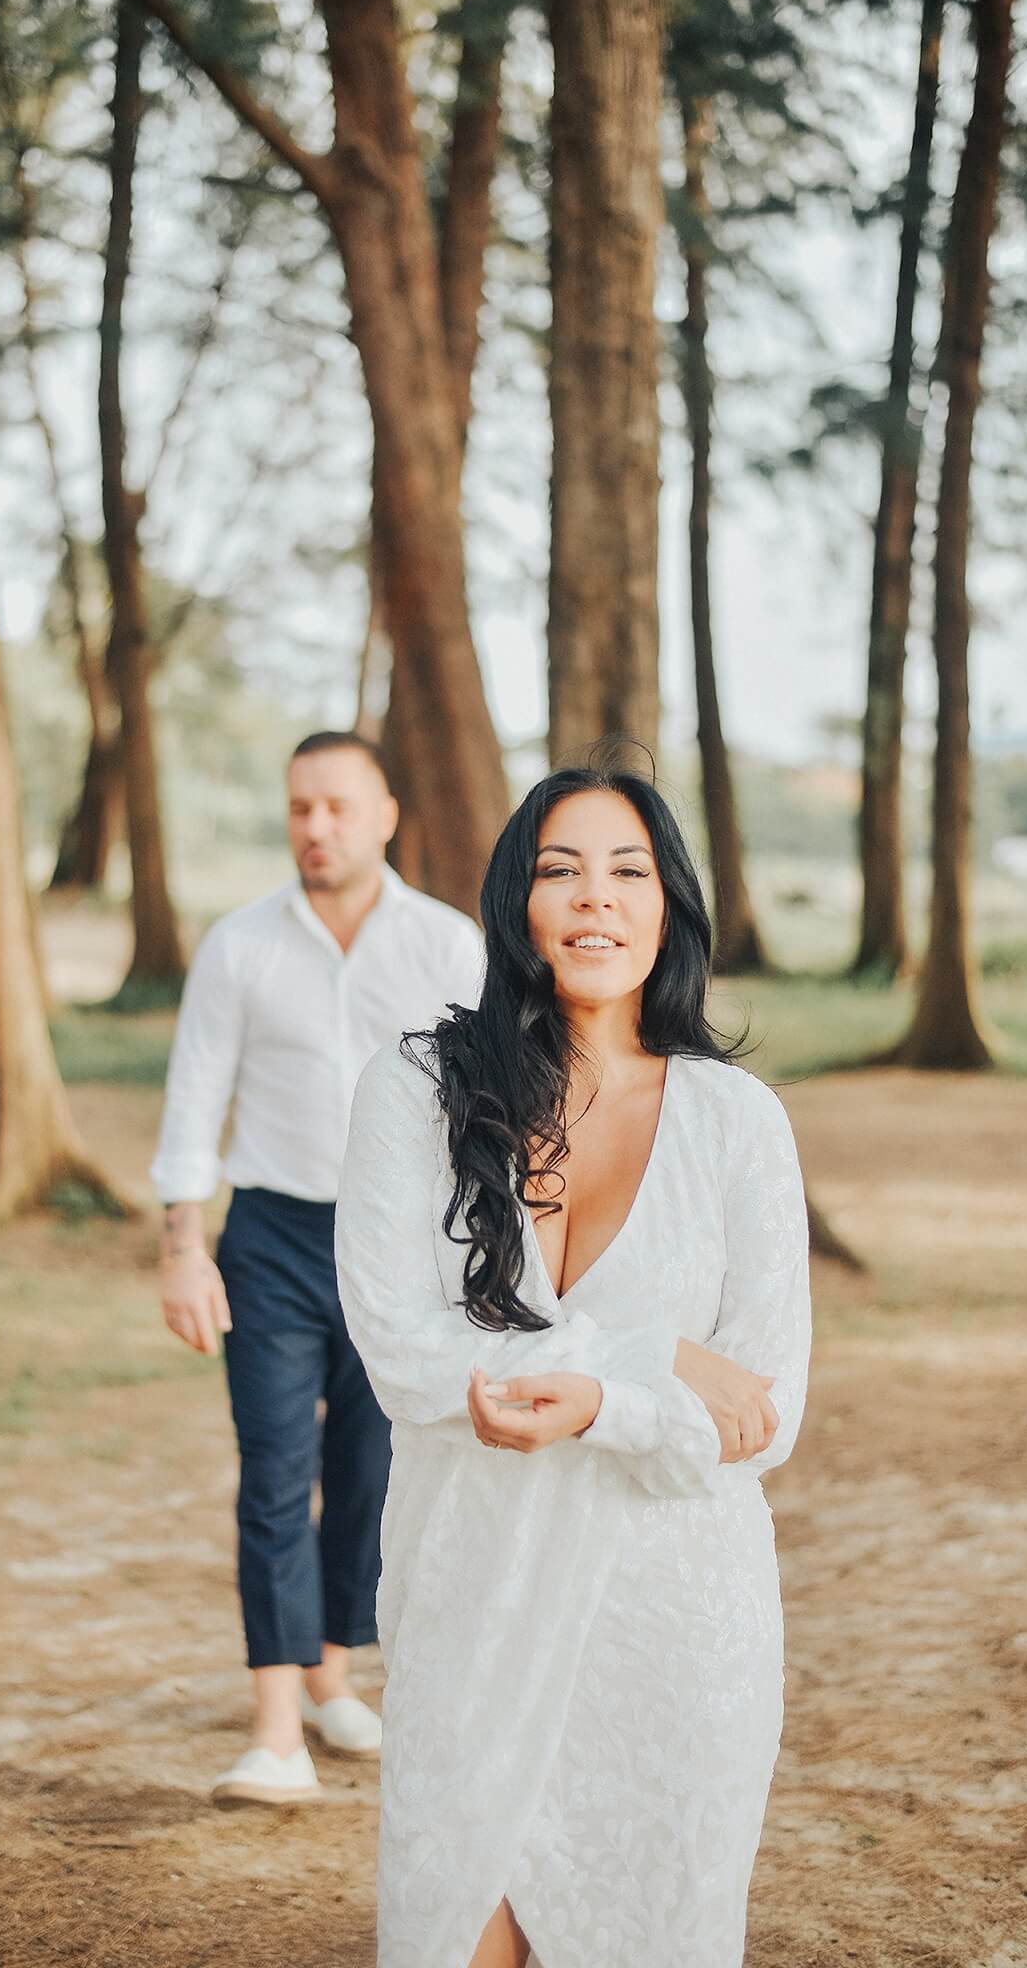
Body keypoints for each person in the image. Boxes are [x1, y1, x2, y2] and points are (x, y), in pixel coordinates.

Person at [334, 763, 813, 1968]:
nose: (592, 899)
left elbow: (766, 1409)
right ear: (514, 904)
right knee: (454, 1930)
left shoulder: (735, 1119)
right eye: (558, 870)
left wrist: (603, 1405)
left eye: (626, 871)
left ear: (669, 907)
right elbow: (400, 1349)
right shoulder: (415, 1092)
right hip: (473, 1594)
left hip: (674, 1617)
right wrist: (652, 1353)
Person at [152, 730, 485, 1808]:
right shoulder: (239, 944)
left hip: (398, 1245)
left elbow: (482, 1111)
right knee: (271, 1474)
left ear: (386, 814)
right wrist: (182, 1246)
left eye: (337, 806)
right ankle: (273, 1728)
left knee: (370, 1476)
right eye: (299, 806)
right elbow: (195, 1094)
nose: (314, 826)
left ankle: (333, 1670)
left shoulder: (445, 946)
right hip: (271, 1243)